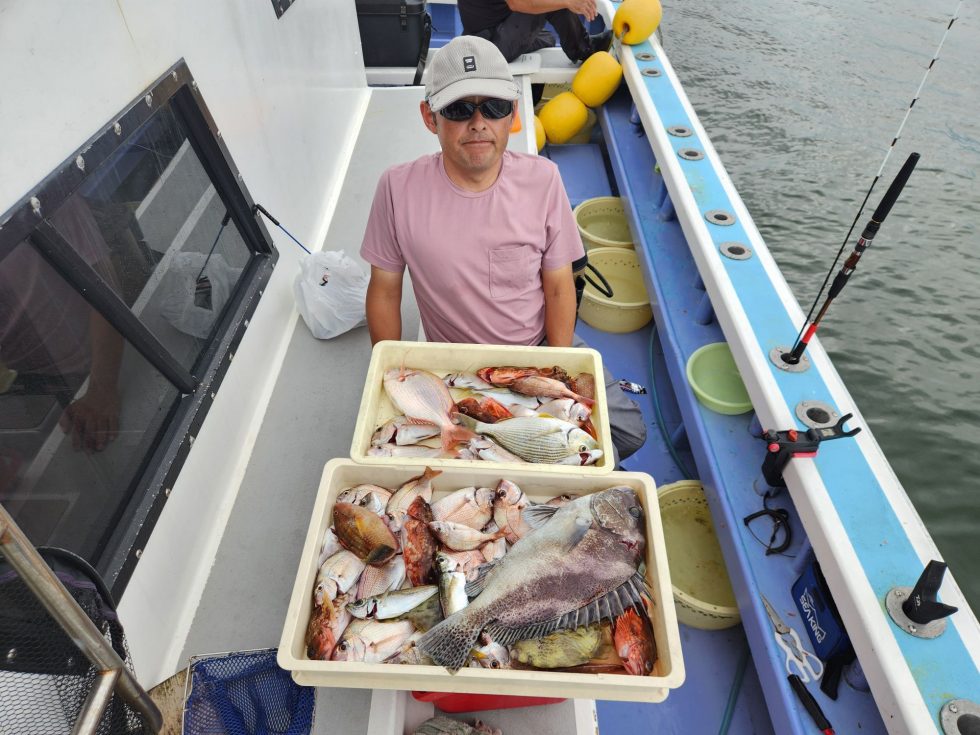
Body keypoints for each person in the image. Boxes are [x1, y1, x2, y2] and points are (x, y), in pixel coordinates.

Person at [360, 35, 645, 462]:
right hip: (452, 362)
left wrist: (555, 371)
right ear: (429, 117)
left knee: (627, 435)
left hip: (539, 347)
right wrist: (390, 370)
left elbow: (558, 286)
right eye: (458, 109)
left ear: (513, 115)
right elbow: (384, 288)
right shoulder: (396, 188)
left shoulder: (544, 179)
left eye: (493, 107)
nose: (478, 123)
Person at [458, 0, 612, 64]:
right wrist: (568, 2)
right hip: (486, 46)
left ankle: (579, 45)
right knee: (557, 3)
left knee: (548, 39)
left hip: (494, 29)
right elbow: (518, 3)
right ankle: (585, 49)